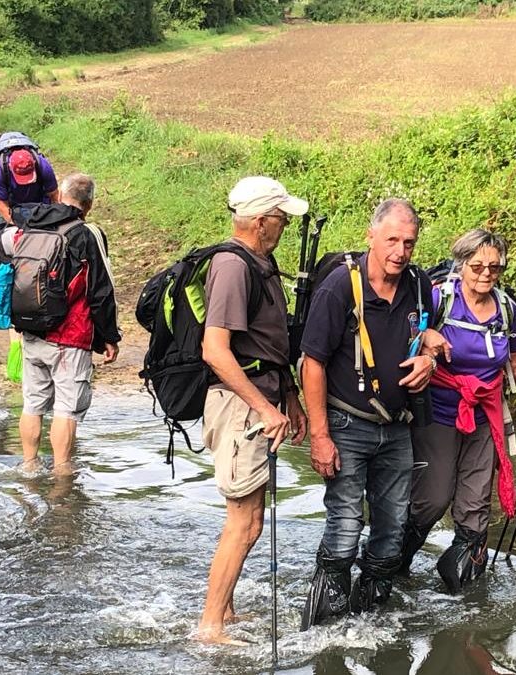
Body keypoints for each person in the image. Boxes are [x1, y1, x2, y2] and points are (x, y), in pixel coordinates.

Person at [300, 197, 448, 627]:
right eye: (392, 241)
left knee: (391, 534)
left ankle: (370, 622)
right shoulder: (339, 287)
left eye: (409, 243)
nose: (400, 252)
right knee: (345, 527)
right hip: (346, 423)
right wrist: (320, 436)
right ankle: (323, 627)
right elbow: (313, 363)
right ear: (371, 237)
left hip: (397, 429)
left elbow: (424, 334)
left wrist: (429, 361)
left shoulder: (419, 285)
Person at [400, 228, 516, 591]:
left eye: (495, 267)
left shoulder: (506, 308)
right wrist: (427, 341)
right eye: (477, 266)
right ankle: (396, 563)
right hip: (437, 413)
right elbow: (410, 341)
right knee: (433, 498)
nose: (486, 274)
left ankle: (461, 583)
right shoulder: (438, 298)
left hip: (485, 415)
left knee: (475, 504)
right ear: (461, 265)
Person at [196, 176, 309, 645]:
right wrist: (265, 407)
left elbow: (267, 343)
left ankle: (225, 611)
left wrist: (290, 398)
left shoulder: (259, 261)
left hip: (259, 402)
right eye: (281, 219)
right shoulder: (231, 266)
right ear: (260, 221)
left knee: (252, 520)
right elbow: (215, 351)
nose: (284, 226)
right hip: (240, 407)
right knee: (243, 521)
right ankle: (209, 626)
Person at [13, 173, 120, 474]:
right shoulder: (86, 234)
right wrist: (108, 337)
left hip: (31, 329)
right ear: (90, 204)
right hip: (69, 336)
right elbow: (101, 290)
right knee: (66, 409)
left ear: (60, 195)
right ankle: (62, 477)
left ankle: (29, 467)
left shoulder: (30, 225)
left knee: (32, 404)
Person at [0, 148, 59, 230]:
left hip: (40, 204)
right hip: (12, 207)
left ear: (34, 163)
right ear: (10, 167)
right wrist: (17, 227)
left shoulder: (43, 166)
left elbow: (54, 196)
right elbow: (2, 205)